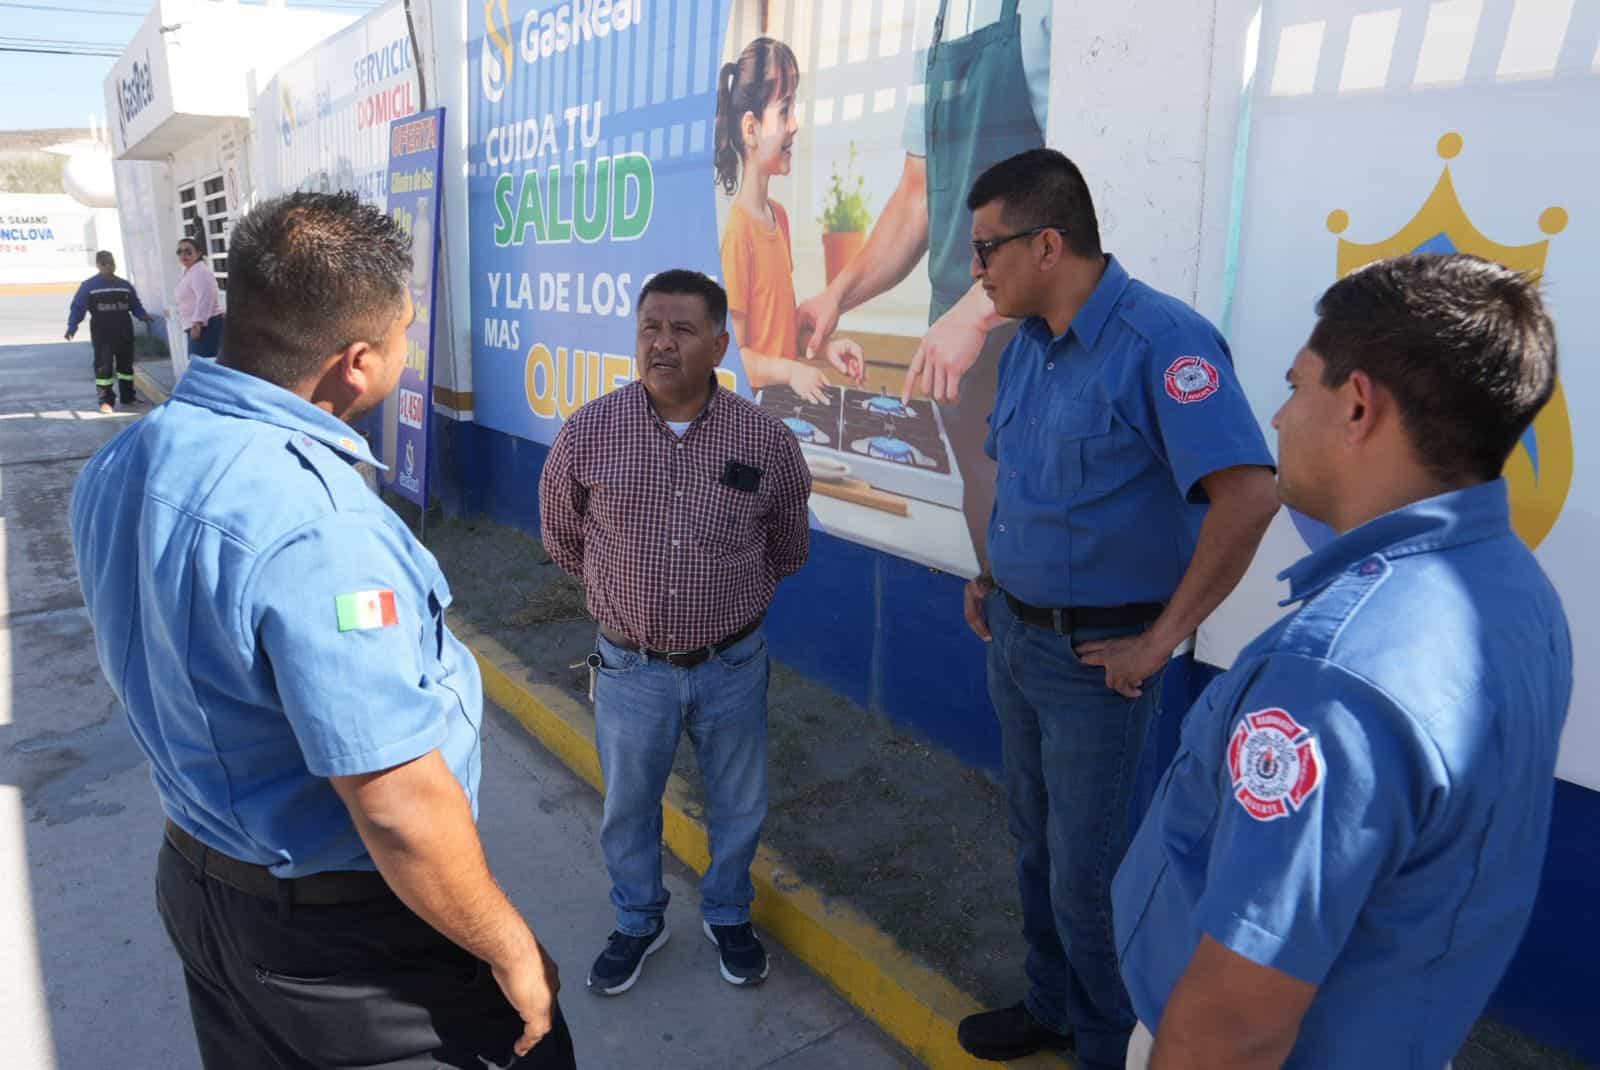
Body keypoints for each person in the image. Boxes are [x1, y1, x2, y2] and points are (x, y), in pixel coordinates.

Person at [70, 191, 575, 1070]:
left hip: (201, 890)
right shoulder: (320, 528)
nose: (407, 352)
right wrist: (508, 946)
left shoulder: (125, 458)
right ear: (357, 364)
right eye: (404, 333)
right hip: (347, 952)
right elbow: (396, 804)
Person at [1114, 254, 1572, 1070]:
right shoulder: (1517, 589)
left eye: (1296, 385)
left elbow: (1236, 1025)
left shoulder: (1333, 675)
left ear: (1358, 405)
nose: (1280, 415)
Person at [954, 149, 1280, 1068]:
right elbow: (1030, 483)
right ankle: (1054, 1005)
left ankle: (1105, 1045)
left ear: (1047, 244)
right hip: (1016, 637)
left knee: (1086, 872)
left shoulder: (1162, 342)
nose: (977, 272)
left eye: (987, 249)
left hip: (1098, 664)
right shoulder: (1029, 346)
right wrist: (993, 576)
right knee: (1034, 844)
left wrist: (1162, 641)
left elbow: (1249, 497)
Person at [539, 269, 811, 996]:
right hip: (631, 669)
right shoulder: (591, 430)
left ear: (719, 345)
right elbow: (563, 535)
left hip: (732, 665)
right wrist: (619, 595)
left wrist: (726, 600)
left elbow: (788, 545)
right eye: (650, 328)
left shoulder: (765, 439)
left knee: (739, 804)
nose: (662, 343)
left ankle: (728, 914)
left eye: (682, 330)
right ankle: (638, 919)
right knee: (628, 807)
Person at [797, 0, 1050, 559]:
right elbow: (917, 195)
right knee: (977, 540)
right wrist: (837, 295)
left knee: (1032, 542)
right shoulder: (936, 24)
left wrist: (979, 310)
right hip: (954, 350)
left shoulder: (1044, 13)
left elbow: (1081, 181)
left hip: (1034, 339)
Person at [715, 36, 864, 403]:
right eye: (784, 111)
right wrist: (792, 372)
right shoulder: (738, 234)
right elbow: (735, 359)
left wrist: (823, 347)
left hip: (781, 408)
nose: (795, 125)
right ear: (751, 129)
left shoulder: (778, 217)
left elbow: (777, 334)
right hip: (754, 414)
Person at [65, 250, 154, 413]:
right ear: (98, 265)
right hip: (103, 334)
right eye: (104, 264)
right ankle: (106, 401)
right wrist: (72, 326)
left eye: (111, 264)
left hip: (125, 333)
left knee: (126, 368)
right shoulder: (89, 286)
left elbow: (135, 305)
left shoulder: (125, 285)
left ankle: (128, 397)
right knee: (103, 368)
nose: (109, 267)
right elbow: (78, 308)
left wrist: (143, 315)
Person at [174, 235, 224, 359]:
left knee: (203, 365)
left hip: (205, 327)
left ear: (198, 253)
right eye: (179, 251)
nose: (183, 255)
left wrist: (198, 323)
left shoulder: (200, 271)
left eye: (188, 251)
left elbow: (206, 298)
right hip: (196, 326)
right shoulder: (190, 271)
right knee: (199, 364)